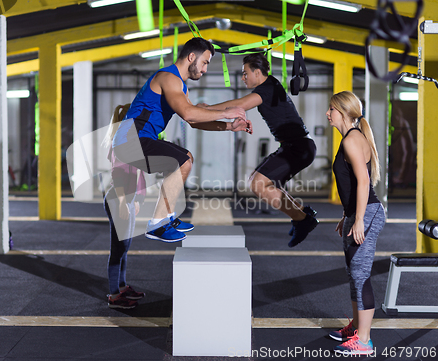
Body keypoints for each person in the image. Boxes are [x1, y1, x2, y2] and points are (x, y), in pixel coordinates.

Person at [113, 37, 252, 243]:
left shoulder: (181, 87)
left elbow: (195, 120)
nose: (204, 70)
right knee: (183, 160)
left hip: (140, 140)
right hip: (130, 140)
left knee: (183, 159)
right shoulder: (168, 77)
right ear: (191, 57)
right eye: (204, 62)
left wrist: (229, 126)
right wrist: (226, 112)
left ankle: (166, 218)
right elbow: (189, 114)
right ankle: (157, 224)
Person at [199, 53, 317, 247]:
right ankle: (302, 212)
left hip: (299, 147)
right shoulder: (269, 85)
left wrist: (208, 109)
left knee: (258, 184)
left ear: (257, 72)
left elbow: (239, 105)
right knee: (259, 181)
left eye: (245, 73)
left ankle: (303, 219)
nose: (243, 77)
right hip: (294, 146)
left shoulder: (267, 88)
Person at [327, 91, 386, 356]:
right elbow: (351, 184)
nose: (327, 114)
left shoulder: (352, 139)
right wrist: (347, 215)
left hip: (368, 213)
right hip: (357, 212)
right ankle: (355, 329)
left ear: (343, 112)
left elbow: (364, 182)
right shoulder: (349, 138)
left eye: (331, 109)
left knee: (361, 275)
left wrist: (359, 218)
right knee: (354, 273)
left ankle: (364, 342)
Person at [104, 104, 147, 309]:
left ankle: (121, 287)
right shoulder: (120, 143)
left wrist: (137, 200)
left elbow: (138, 175)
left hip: (127, 199)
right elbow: (117, 174)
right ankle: (114, 295)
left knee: (125, 248)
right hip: (117, 198)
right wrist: (122, 201)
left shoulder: (131, 142)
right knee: (118, 248)